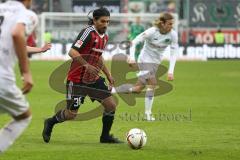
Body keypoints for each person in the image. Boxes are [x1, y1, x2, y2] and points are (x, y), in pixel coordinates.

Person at [42, 7, 122, 144]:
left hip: (93, 79)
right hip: (77, 80)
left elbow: (98, 57)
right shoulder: (87, 33)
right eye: (103, 21)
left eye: (108, 22)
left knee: (111, 105)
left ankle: (105, 137)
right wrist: (86, 65)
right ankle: (50, 122)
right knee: (71, 115)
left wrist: (108, 74)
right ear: (95, 20)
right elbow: (72, 52)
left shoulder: (105, 37)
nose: (106, 24)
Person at [112, 12, 178, 121]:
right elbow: (134, 42)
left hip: (156, 62)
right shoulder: (152, 31)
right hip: (144, 59)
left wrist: (171, 71)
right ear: (163, 23)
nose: (172, 26)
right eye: (170, 24)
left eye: (172, 24)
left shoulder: (173, 34)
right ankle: (148, 114)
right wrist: (132, 57)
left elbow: (174, 52)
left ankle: (113, 90)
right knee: (152, 83)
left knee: (137, 89)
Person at [0, 0, 36, 153]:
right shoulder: (27, 14)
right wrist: (26, 72)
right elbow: (17, 33)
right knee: (23, 116)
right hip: (2, 78)